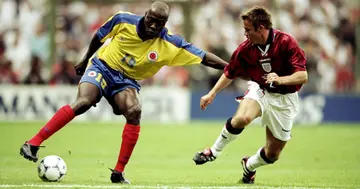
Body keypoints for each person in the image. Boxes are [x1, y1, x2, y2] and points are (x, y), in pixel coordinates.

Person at [19, 1, 228, 184]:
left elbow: (205, 57)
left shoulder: (171, 43)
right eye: (151, 19)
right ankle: (33, 143)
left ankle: (118, 172)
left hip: (126, 81)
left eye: (159, 23)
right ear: (146, 14)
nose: (153, 25)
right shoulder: (123, 20)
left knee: (134, 111)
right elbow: (100, 36)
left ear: (165, 25)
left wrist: (232, 68)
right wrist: (85, 59)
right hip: (102, 66)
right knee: (83, 102)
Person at [192, 6, 308, 184]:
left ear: (260, 28)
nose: (245, 34)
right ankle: (213, 152)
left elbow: (303, 76)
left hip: (285, 100)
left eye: (247, 30)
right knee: (242, 118)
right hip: (260, 89)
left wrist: (280, 80)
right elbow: (230, 72)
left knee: (272, 154)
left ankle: (249, 165)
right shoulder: (246, 49)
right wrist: (212, 93)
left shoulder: (286, 42)